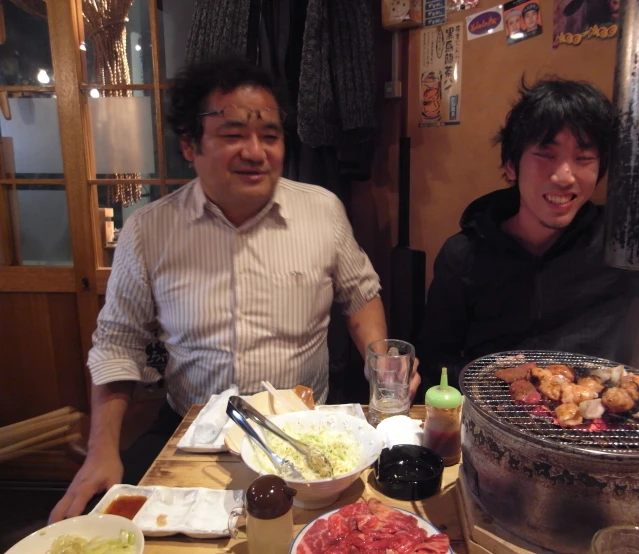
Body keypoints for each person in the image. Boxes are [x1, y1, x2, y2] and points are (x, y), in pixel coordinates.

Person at [50, 57, 420, 523]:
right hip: (194, 436)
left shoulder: (322, 211)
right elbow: (116, 345)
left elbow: (360, 294)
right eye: (232, 135)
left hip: (305, 436)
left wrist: (381, 361)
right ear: (190, 145)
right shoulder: (149, 230)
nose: (255, 151)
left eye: (269, 135)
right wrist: (101, 452)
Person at [418, 78, 639, 391]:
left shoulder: (622, 242)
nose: (564, 176)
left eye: (584, 158)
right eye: (546, 154)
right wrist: (490, 378)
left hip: (595, 424)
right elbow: (435, 360)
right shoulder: (463, 254)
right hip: (492, 423)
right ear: (512, 165)